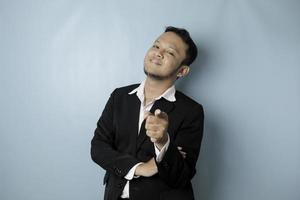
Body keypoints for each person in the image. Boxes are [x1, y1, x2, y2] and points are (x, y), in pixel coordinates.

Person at [91, 26, 204, 200]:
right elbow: (98, 148)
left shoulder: (191, 111)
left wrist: (163, 142)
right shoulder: (119, 96)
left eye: (170, 53)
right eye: (156, 46)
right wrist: (140, 168)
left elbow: (181, 177)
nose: (158, 53)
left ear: (182, 71)